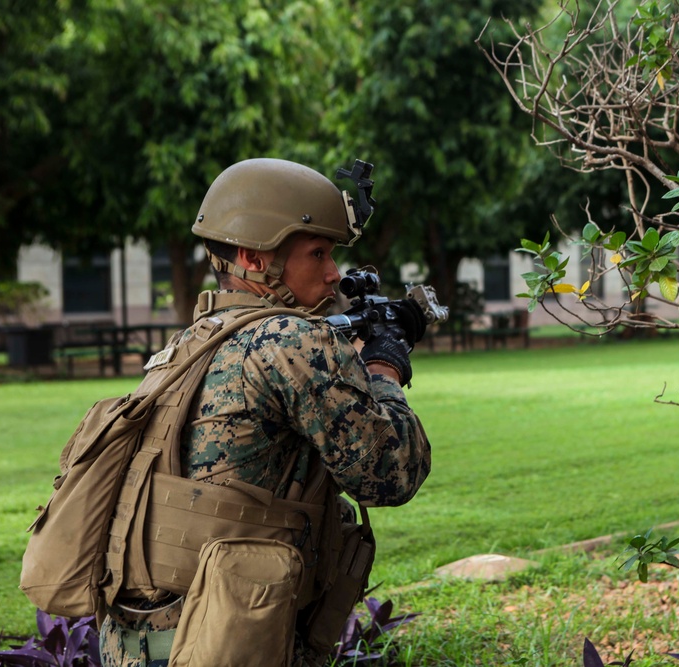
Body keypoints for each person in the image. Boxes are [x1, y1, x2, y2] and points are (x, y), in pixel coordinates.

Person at [98, 157, 432, 666]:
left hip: (135, 645)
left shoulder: (194, 339)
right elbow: (391, 473)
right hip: (216, 645)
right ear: (254, 258)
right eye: (317, 253)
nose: (333, 273)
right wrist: (384, 366)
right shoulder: (289, 339)